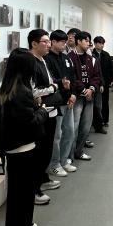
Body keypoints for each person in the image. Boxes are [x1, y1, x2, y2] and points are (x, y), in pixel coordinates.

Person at [0, 48, 48, 226]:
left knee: (15, 191)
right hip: (24, 148)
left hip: (12, 149)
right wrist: (42, 111)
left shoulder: (7, 87)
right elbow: (30, 123)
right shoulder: (22, 92)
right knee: (25, 194)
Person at [27, 29, 62, 204]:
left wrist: (53, 86)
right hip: (39, 114)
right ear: (34, 44)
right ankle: (34, 190)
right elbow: (33, 91)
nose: (49, 45)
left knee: (46, 151)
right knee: (39, 153)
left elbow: (50, 81)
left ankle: (43, 180)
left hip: (50, 110)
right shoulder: (30, 62)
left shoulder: (43, 60)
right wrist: (52, 88)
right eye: (45, 42)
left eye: (49, 41)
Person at [45, 29, 78, 175]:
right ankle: (54, 164)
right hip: (56, 102)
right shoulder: (47, 59)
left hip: (69, 101)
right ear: (53, 42)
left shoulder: (66, 58)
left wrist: (73, 95)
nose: (65, 45)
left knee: (69, 132)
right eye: (62, 42)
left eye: (65, 42)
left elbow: (72, 77)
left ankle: (64, 161)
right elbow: (52, 81)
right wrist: (67, 93)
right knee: (56, 136)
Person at [67, 31, 100, 162]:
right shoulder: (69, 57)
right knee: (73, 127)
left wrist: (91, 89)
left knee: (86, 127)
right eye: (86, 40)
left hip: (89, 97)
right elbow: (72, 77)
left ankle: (79, 151)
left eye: (89, 41)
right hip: (77, 97)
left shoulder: (91, 59)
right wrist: (83, 89)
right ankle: (69, 156)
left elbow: (96, 76)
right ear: (79, 41)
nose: (88, 43)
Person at [92, 36, 113, 133]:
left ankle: (105, 120)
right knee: (95, 104)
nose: (102, 45)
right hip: (94, 83)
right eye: (100, 43)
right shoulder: (91, 54)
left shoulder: (106, 55)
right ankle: (96, 121)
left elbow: (111, 68)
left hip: (105, 82)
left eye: (103, 43)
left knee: (105, 101)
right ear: (95, 44)